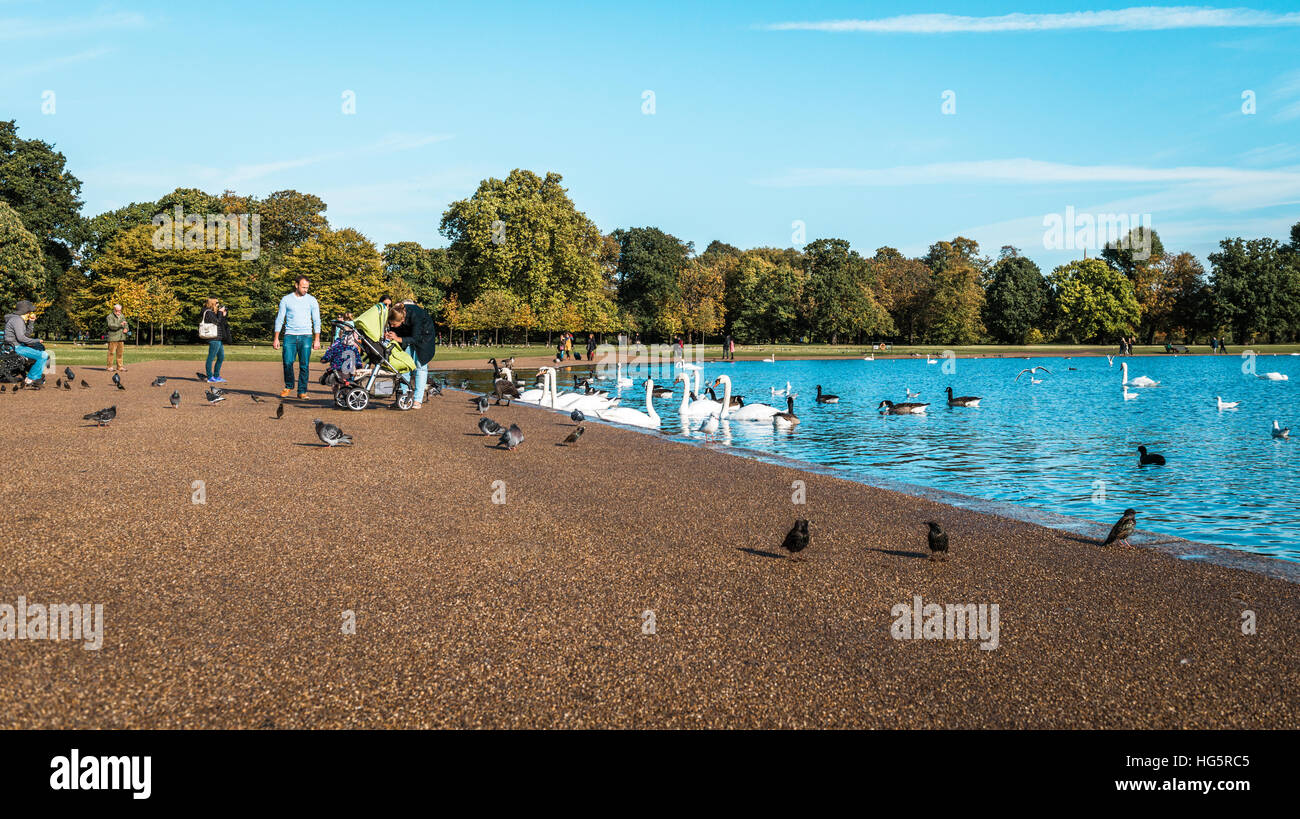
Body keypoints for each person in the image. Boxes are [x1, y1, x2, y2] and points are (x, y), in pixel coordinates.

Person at [272, 275, 322, 399]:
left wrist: (317, 339)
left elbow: (317, 320)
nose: (306, 289)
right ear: (296, 285)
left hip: (306, 336)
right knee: (288, 362)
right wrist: (276, 338)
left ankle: (302, 391)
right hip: (290, 336)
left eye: (307, 287)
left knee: (304, 365)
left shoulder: (312, 300)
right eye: (303, 287)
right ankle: (289, 386)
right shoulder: (286, 299)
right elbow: (280, 319)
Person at [385, 301, 436, 409]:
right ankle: (404, 398)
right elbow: (395, 329)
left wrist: (398, 338)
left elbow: (416, 338)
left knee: (420, 367)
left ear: (402, 320)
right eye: (391, 324)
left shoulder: (416, 315)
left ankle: (417, 400)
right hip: (407, 335)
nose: (392, 326)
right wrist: (390, 334)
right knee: (404, 366)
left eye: (394, 324)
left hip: (424, 337)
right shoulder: (395, 314)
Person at [4, 299, 48, 386]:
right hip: (16, 348)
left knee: (40, 351)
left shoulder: (17, 319)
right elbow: (22, 338)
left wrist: (31, 322)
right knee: (43, 355)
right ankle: (31, 379)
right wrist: (36, 340)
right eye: (29, 312)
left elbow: (26, 335)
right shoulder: (17, 320)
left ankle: (34, 375)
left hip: (15, 346)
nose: (30, 314)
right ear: (25, 311)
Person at [201, 298, 231, 383]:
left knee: (221, 357)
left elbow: (220, 322)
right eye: (217, 303)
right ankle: (210, 377)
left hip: (218, 338)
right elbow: (217, 322)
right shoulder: (208, 312)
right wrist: (220, 312)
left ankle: (216, 376)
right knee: (211, 357)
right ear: (212, 303)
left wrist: (223, 315)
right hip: (213, 338)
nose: (218, 304)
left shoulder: (213, 312)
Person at [106, 304, 128, 372]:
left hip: (121, 337)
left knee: (120, 353)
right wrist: (120, 325)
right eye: (117, 310)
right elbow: (111, 326)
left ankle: (120, 367)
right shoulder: (110, 317)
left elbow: (126, 324)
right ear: (114, 310)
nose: (119, 312)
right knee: (111, 353)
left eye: (120, 310)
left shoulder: (122, 316)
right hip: (113, 337)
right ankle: (109, 367)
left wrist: (126, 329)